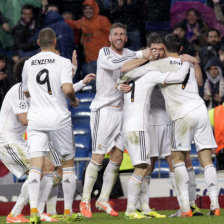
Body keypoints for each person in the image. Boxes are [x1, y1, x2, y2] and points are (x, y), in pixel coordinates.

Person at [120, 33, 220, 217]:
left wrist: (122, 82)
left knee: (178, 160)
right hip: (199, 110)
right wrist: (194, 63)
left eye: (160, 49)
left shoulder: (158, 65)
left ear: (164, 49)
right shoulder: (187, 62)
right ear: (181, 49)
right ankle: (214, 205)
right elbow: (198, 82)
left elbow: (125, 70)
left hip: (180, 115)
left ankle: (186, 208)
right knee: (206, 159)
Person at [79, 22, 150, 218]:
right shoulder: (104, 52)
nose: (119, 37)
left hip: (122, 111)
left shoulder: (129, 52)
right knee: (99, 156)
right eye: (116, 34)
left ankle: (103, 199)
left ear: (126, 38)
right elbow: (118, 66)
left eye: (122, 34)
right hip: (104, 110)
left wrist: (146, 55)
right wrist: (143, 56)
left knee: (117, 157)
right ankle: (85, 201)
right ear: (110, 38)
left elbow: (135, 62)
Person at [121, 45, 190, 219]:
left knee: (143, 167)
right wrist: (187, 62)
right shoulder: (150, 75)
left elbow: (122, 77)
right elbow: (180, 76)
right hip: (140, 126)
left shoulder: (127, 77)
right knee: (142, 167)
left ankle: (143, 209)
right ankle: (130, 210)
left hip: (128, 125)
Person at [22, 27, 80, 224]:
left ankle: (34, 211)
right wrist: (73, 99)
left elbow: (27, 92)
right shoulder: (62, 62)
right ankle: (68, 211)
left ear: (38, 43)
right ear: (55, 42)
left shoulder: (28, 63)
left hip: (36, 119)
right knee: (68, 165)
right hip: (59, 119)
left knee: (35, 167)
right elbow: (67, 87)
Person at [0, 57, 60, 223]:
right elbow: (24, 119)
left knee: (49, 167)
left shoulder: (34, 93)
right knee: (39, 170)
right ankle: (14, 215)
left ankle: (39, 212)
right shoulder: (18, 90)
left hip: (18, 140)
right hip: (6, 142)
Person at [66, 0, 112, 90]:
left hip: (104, 61)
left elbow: (113, 36)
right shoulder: (82, 22)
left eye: (90, 8)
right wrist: (62, 19)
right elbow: (73, 24)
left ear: (95, 9)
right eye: (85, 9)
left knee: (106, 87)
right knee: (95, 88)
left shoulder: (103, 20)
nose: (88, 11)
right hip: (90, 63)